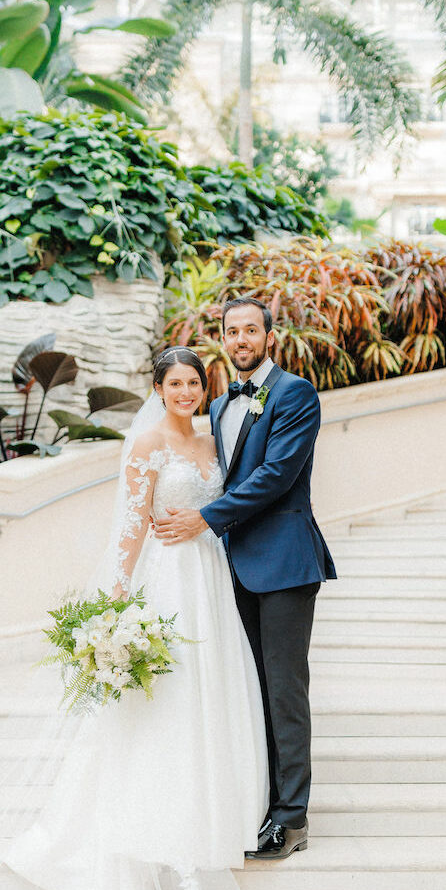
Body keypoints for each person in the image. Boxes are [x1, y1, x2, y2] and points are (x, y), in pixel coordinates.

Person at [1, 345, 270, 890]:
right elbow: (131, 523)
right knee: (166, 698)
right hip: (169, 576)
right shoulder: (147, 445)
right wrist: (118, 593)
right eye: (174, 385)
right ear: (158, 390)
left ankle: (210, 821)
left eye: (193, 383)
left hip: (213, 577)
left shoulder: (215, 441)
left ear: (205, 386)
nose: (185, 393)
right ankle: (141, 826)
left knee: (211, 691)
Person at [154, 298, 336, 860]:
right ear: (223, 339)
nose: (241, 339)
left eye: (250, 330)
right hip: (228, 567)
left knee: (284, 691)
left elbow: (277, 475)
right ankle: (259, 800)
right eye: (232, 331)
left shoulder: (294, 394)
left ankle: (291, 819)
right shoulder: (218, 408)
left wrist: (205, 518)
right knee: (249, 689)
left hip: (282, 562)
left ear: (269, 336)